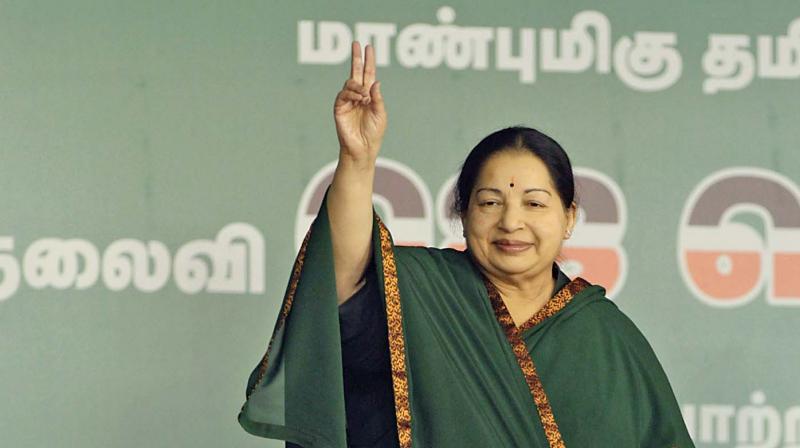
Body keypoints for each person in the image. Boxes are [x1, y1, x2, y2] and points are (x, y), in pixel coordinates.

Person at [239, 42, 694, 448]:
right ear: (462, 213)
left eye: (534, 203)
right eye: (490, 201)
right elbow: (341, 278)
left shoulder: (607, 339)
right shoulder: (423, 292)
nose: (511, 222)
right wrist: (358, 161)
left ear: (568, 217)